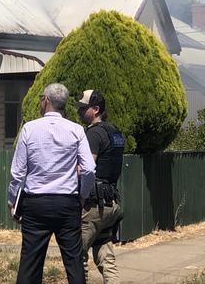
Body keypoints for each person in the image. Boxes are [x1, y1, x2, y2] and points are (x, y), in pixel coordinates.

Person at [8, 83, 96, 284]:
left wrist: (13, 199)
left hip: (35, 203)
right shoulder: (76, 130)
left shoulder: (30, 129)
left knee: (30, 261)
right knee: (73, 261)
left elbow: (18, 172)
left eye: (41, 98)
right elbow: (89, 169)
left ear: (46, 100)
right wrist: (82, 195)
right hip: (67, 202)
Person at [77, 90, 124, 284]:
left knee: (76, 256)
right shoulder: (115, 132)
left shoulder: (94, 134)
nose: (79, 111)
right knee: (106, 255)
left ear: (95, 109)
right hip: (110, 204)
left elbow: (86, 168)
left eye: (83, 108)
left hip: (93, 207)